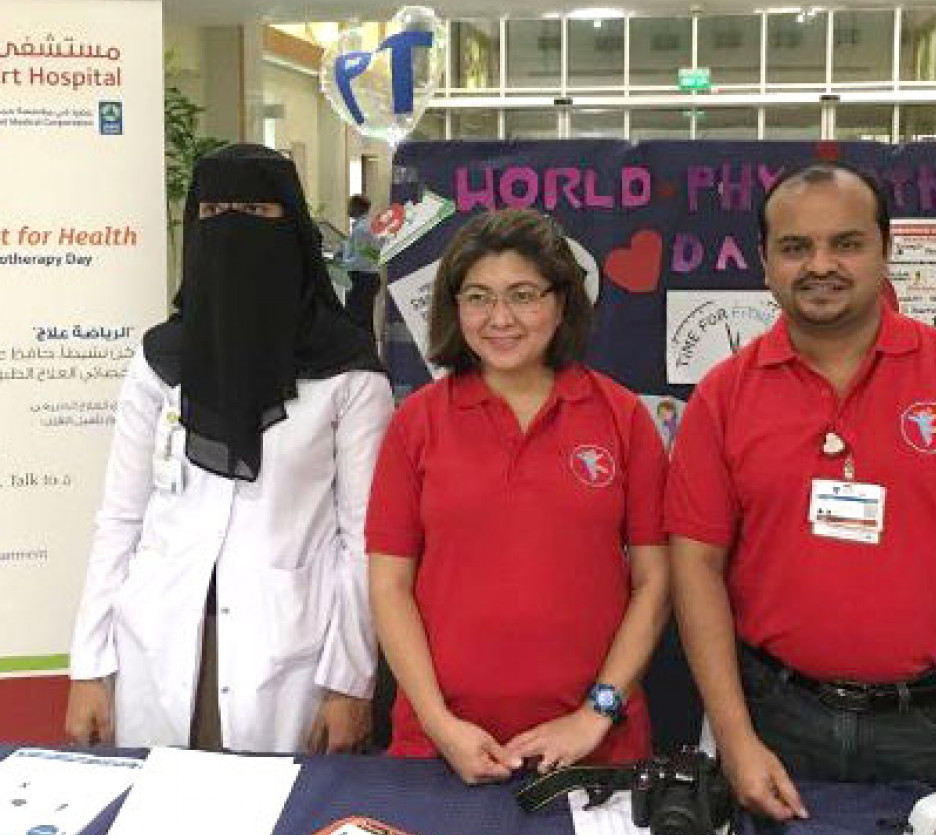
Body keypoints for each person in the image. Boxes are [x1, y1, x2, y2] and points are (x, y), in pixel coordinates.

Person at [665, 161, 936, 835]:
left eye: (846, 243)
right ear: (764, 262)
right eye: (795, 248)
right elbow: (695, 565)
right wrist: (733, 738)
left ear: (884, 249)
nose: (821, 265)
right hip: (777, 722)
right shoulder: (723, 398)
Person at [65, 144, 394, 754]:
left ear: (290, 226)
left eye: (252, 210)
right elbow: (120, 519)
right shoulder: (160, 360)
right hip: (157, 642)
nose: (230, 226)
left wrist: (350, 682)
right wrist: (89, 665)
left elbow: (364, 543)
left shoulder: (347, 373)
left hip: (289, 652)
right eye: (214, 210)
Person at [365, 209, 670, 784]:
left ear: (561, 301)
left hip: (594, 750)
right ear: (454, 307)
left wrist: (595, 714)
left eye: (523, 295)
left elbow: (656, 583)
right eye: (477, 297)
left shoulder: (622, 417)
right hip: (439, 749)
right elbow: (389, 585)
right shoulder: (416, 424)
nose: (499, 319)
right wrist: (438, 723)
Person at [342, 193, 382, 337]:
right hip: (370, 277)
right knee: (365, 320)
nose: (347, 209)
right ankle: (367, 352)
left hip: (362, 279)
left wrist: (343, 264)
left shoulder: (360, 230)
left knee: (356, 320)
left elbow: (361, 260)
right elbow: (371, 255)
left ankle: (359, 353)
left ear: (356, 208)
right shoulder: (370, 226)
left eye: (349, 206)